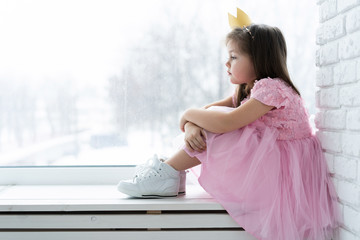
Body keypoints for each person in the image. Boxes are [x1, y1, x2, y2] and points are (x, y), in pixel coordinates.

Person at [117, 23, 341, 240]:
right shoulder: (250, 88)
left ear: (259, 60)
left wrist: (188, 114)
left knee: (222, 131)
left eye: (234, 57)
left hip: (281, 176)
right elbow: (209, 112)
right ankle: (170, 175)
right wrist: (191, 125)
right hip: (271, 166)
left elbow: (226, 123)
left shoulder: (272, 88)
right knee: (216, 118)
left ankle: (166, 173)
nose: (226, 63)